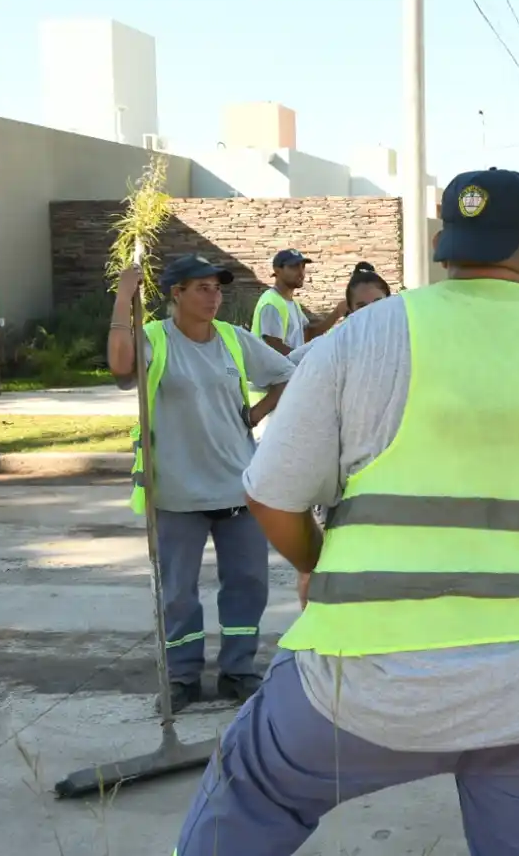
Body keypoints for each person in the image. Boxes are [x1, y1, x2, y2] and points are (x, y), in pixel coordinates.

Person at [172, 168, 519, 856]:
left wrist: (318, 565)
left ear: (441, 244)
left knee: (252, 787)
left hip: (365, 682)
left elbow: (269, 492)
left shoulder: (358, 340)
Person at [107, 254, 296, 712]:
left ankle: (238, 671)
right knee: (177, 593)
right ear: (177, 293)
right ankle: (182, 678)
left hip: (238, 485)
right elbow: (119, 368)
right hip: (177, 491)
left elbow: (288, 374)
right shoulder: (154, 338)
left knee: (248, 583)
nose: (213, 297)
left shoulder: (234, 340)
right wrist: (123, 298)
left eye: (217, 288)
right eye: (202, 288)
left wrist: (255, 414)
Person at [284, 261, 392, 368]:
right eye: (361, 306)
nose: (370, 311)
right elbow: (287, 364)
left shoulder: (403, 336)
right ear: (350, 308)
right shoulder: (335, 343)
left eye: (377, 302)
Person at [251, 248, 346, 356]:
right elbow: (274, 347)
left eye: (302, 267)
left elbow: (308, 335)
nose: (301, 273)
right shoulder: (271, 303)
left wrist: (337, 313)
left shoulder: (292, 303)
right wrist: (305, 362)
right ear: (277, 270)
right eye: (294, 267)